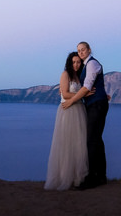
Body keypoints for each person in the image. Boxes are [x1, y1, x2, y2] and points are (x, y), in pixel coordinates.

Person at [62, 41, 107, 189]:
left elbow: (87, 86)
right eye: (78, 51)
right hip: (94, 104)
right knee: (96, 140)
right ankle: (100, 176)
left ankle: (92, 178)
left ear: (89, 50)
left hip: (96, 105)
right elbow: (87, 88)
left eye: (83, 50)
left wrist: (71, 101)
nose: (81, 53)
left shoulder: (92, 64)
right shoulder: (85, 67)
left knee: (91, 141)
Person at [44, 51, 88, 190]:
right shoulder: (65, 74)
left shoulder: (79, 76)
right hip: (67, 111)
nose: (76, 64)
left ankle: (77, 177)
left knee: (79, 144)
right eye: (73, 62)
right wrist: (83, 93)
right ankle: (64, 177)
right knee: (66, 144)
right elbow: (65, 93)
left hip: (79, 110)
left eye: (78, 62)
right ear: (69, 63)